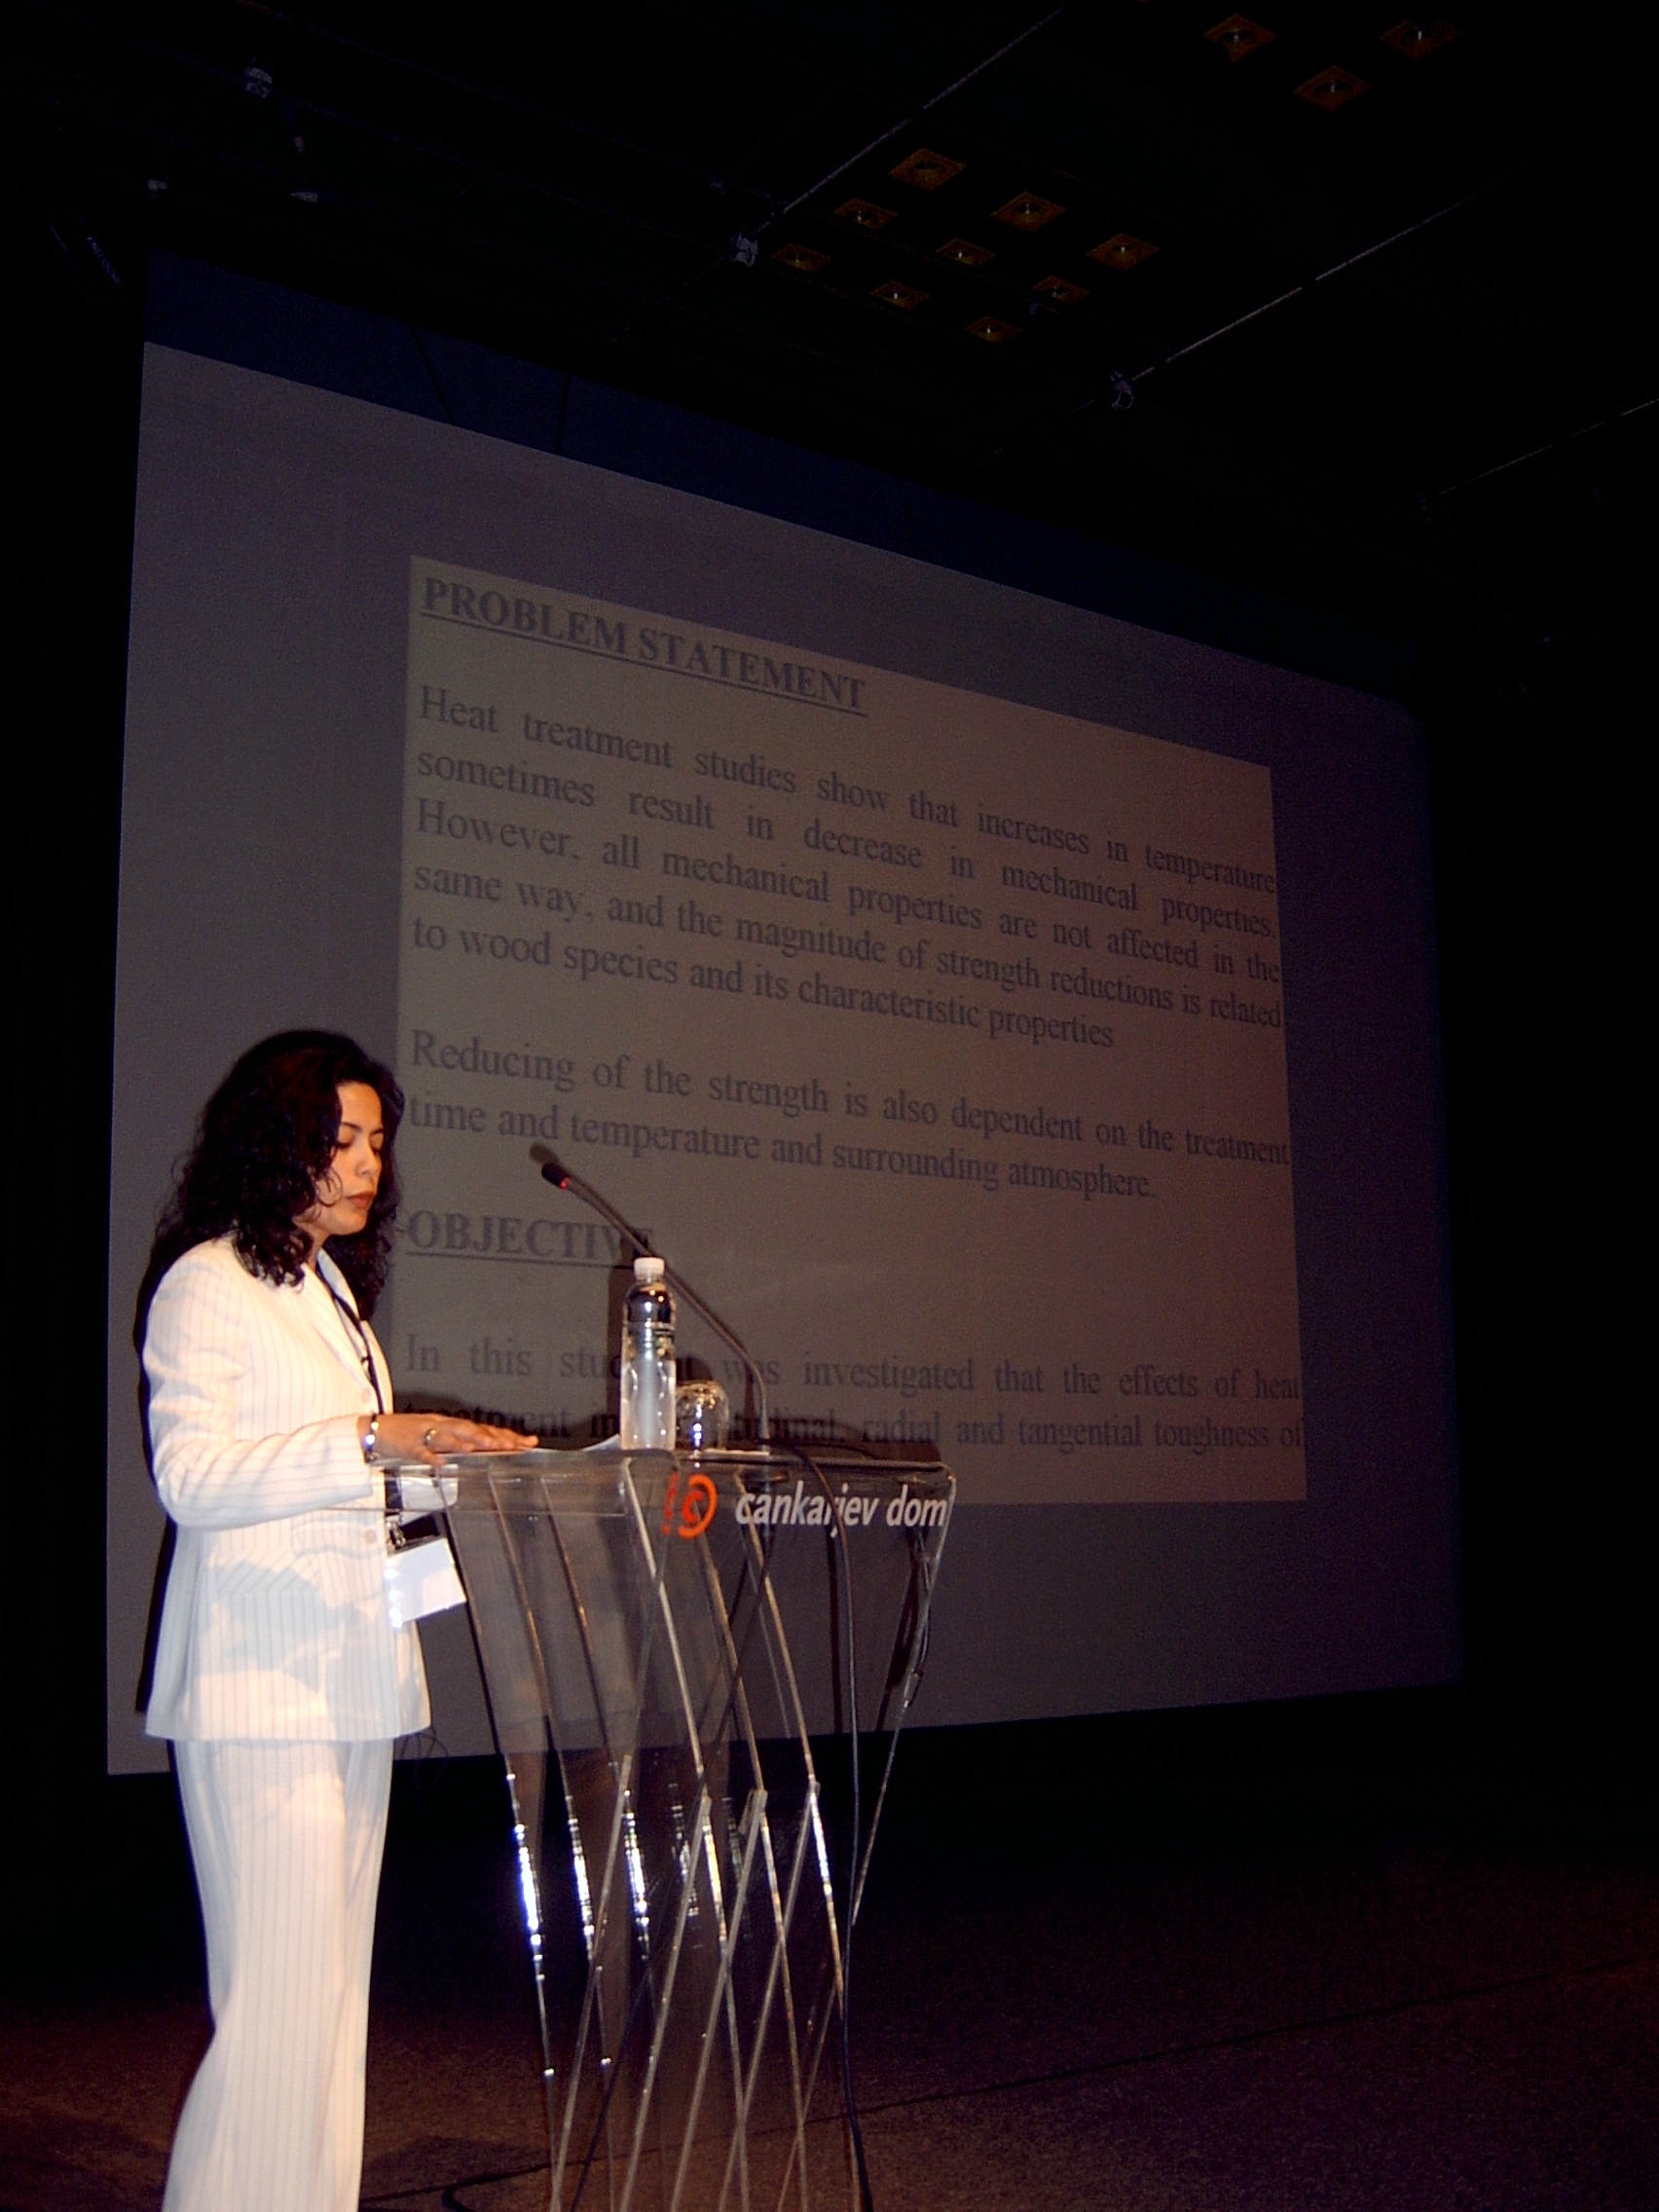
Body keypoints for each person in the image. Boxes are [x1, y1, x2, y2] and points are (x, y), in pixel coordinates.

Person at [138, 1030, 534, 2212]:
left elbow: (346, 1475)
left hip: (350, 1677)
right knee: (274, 2011)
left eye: (377, 1142)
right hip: (259, 1687)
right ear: (277, 1145)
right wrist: (371, 1438)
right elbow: (192, 1478)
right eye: (342, 1139)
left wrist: (439, 1461)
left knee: (328, 2009)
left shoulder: (329, 1291)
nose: (368, 1164)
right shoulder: (207, 1282)